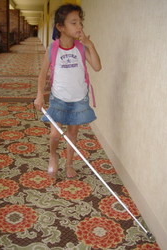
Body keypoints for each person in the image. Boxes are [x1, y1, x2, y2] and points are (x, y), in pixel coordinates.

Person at [34, 4, 101, 179]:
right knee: (55, 134)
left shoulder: (80, 47)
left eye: (80, 22)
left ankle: (69, 163)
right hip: (59, 99)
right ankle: (53, 154)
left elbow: (97, 66)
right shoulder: (52, 49)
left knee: (72, 133)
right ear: (60, 27)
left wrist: (90, 45)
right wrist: (40, 94)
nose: (79, 27)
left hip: (79, 99)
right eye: (74, 22)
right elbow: (42, 75)